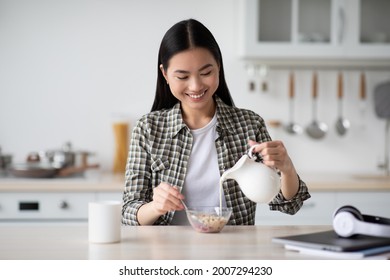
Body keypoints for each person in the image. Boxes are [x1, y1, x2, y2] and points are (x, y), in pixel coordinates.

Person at [122, 19, 310, 226]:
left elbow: (287, 204)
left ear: (218, 67)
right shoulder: (148, 129)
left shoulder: (249, 125)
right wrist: (155, 206)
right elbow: (129, 211)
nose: (195, 86)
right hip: (169, 253)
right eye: (183, 76)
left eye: (206, 73)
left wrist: (287, 168)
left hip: (233, 253)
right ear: (165, 74)